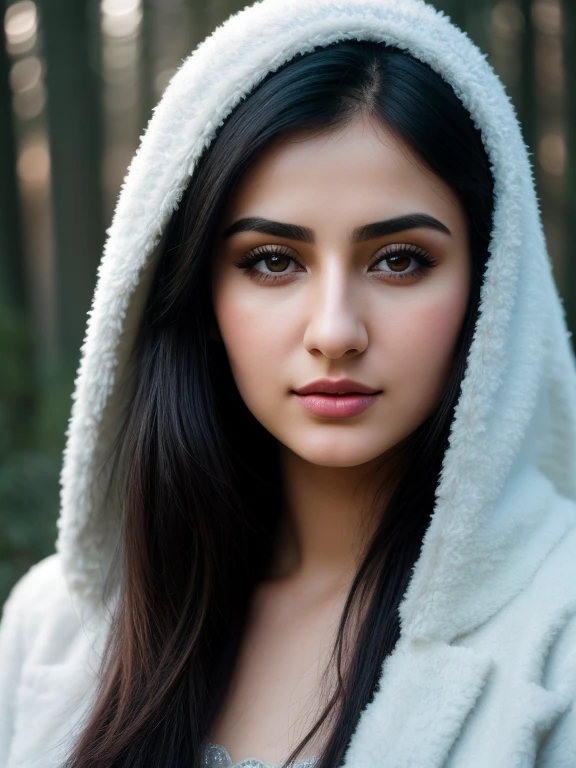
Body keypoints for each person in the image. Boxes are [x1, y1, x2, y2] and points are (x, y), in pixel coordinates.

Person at [1, 0, 576, 765]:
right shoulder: (53, 628)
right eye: (273, 260)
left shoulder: (560, 636)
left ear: (490, 289)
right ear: (201, 296)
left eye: (400, 259)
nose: (335, 330)